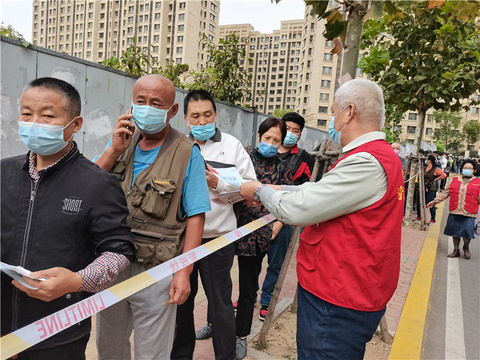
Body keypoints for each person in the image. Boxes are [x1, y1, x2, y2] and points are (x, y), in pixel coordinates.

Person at [240, 79, 404, 359]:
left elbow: (301, 209)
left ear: (349, 112)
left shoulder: (366, 161)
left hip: (338, 297)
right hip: (350, 288)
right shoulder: (379, 157)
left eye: (334, 112)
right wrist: (283, 189)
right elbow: (323, 192)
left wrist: (259, 190)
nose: (333, 121)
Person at [1, 77, 134, 360]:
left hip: (58, 336)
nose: (34, 122)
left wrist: (77, 280)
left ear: (75, 124)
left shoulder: (97, 184)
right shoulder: (4, 173)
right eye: (26, 114)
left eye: (47, 115)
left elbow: (118, 251)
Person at [94, 75, 211, 360]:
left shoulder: (187, 153)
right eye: (140, 102)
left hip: (157, 270)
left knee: (152, 352)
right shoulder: (121, 144)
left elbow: (196, 217)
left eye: (156, 103)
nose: (147, 108)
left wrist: (184, 272)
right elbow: (88, 186)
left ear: (172, 111)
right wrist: (113, 150)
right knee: (109, 347)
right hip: (112, 265)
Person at [171, 90, 257, 360]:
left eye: (207, 114)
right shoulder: (176, 146)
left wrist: (218, 183)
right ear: (186, 119)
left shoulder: (232, 146)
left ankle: (225, 356)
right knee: (181, 305)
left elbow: (252, 191)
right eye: (195, 116)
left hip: (218, 242)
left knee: (220, 305)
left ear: (216, 115)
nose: (202, 120)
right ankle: (181, 355)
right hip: (181, 241)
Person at [234, 117, 293, 359]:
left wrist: (278, 224)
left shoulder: (282, 169)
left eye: (276, 140)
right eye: (267, 138)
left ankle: (240, 335)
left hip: (256, 237)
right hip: (227, 230)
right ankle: (213, 323)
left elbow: (288, 201)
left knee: (248, 288)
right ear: (259, 136)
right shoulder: (242, 156)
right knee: (216, 281)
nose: (270, 143)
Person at [258, 112, 314, 321]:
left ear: (300, 135)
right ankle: (248, 296)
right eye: (287, 128)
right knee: (252, 261)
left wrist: (281, 222)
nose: (290, 133)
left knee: (276, 262)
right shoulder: (265, 153)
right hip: (257, 219)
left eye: (295, 130)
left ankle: (266, 301)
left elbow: (301, 193)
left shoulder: (305, 159)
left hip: (284, 220)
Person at [427, 159, 479, 259]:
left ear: (474, 170)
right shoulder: (454, 180)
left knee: (468, 232)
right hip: (455, 210)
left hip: (469, 212)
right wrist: (434, 201)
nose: (467, 169)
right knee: (455, 232)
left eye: (470, 168)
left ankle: (466, 247)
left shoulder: (478, 182)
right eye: (465, 168)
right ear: (461, 168)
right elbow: (445, 193)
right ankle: (456, 250)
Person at [415, 155, 447, 225]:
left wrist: (435, 179)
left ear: (429, 160)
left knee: (431, 203)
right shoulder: (424, 167)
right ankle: (419, 217)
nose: (426, 160)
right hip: (422, 187)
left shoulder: (436, 169)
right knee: (419, 202)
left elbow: (444, 175)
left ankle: (433, 219)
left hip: (431, 188)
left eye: (427, 159)